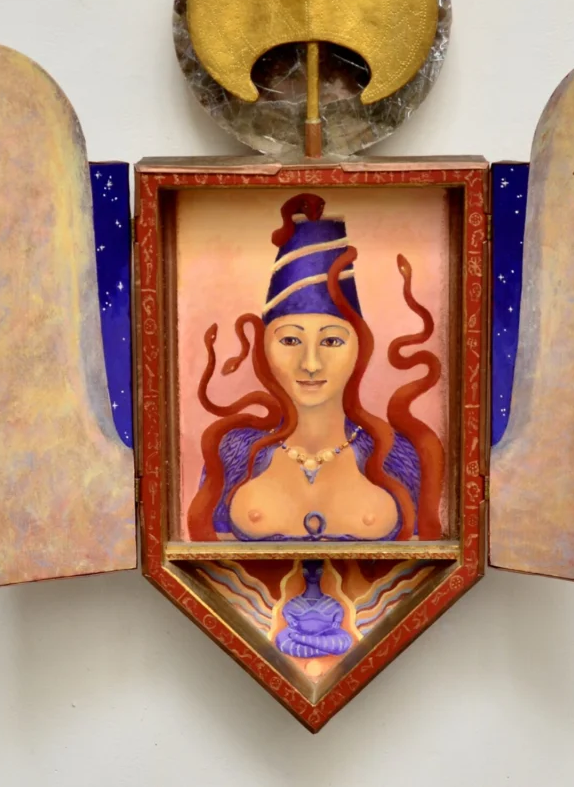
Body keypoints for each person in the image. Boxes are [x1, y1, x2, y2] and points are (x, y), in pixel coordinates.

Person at [188, 193, 445, 542]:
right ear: (263, 348)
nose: (310, 364)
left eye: (332, 341)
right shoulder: (233, 453)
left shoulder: (397, 455)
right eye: (290, 340)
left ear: (360, 348)